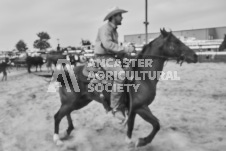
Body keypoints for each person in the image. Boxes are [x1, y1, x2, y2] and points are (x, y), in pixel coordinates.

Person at [94, 7, 134, 121]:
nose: (122, 17)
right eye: (120, 15)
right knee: (121, 75)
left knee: (131, 69)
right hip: (103, 58)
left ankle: (126, 102)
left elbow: (113, 48)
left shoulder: (114, 30)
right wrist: (126, 49)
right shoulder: (104, 29)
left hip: (111, 57)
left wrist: (124, 54)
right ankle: (115, 108)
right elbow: (107, 45)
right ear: (113, 17)